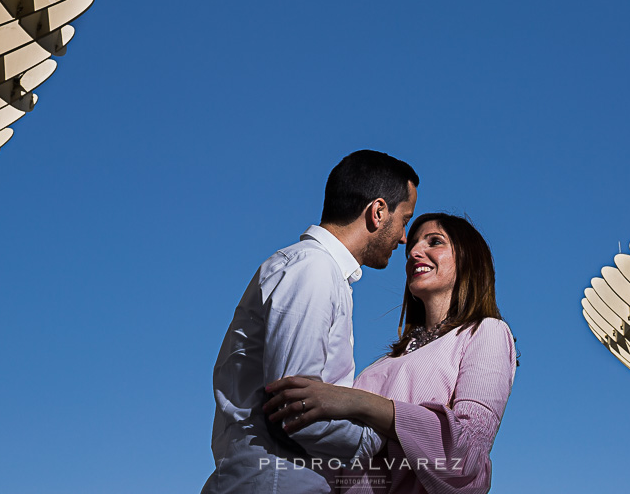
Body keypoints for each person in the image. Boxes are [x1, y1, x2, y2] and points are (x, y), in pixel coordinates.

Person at [201, 150, 420, 494]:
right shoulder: (313, 270)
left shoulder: (323, 273)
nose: (404, 237)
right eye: (404, 220)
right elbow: (294, 412)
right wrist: (389, 434)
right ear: (378, 212)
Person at [264, 213, 516, 494]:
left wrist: (358, 402)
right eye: (412, 248)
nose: (415, 252)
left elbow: (467, 453)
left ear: (469, 259)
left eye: (434, 242)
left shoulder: (486, 332)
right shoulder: (382, 363)